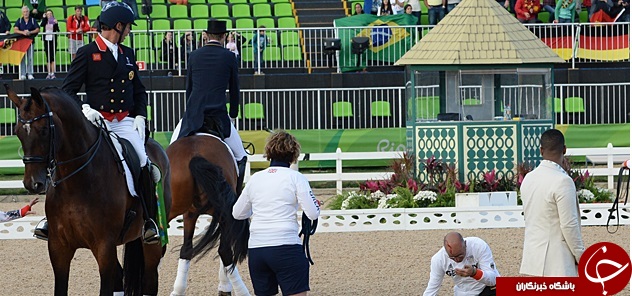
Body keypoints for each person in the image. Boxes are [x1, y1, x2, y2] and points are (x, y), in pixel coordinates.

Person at [34, 1, 161, 245]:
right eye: (128, 28)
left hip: (124, 121)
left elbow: (139, 90)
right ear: (118, 26)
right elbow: (68, 90)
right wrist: (85, 109)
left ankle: (148, 221)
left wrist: (141, 115)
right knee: (66, 156)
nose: (130, 32)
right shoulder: (87, 53)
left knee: (144, 162)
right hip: (97, 120)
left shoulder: (127, 54)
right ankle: (50, 218)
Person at [233, 130, 321, 296]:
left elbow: (238, 213)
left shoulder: (255, 178)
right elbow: (312, 213)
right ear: (294, 154)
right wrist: (317, 205)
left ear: (269, 152)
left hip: (257, 250)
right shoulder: (296, 177)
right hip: (285, 245)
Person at [172, 19, 249, 195]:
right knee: (240, 156)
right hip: (218, 116)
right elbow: (235, 89)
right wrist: (233, 113)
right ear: (224, 36)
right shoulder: (229, 56)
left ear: (206, 36)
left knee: (171, 153)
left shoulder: (194, 56)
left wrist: (190, 111)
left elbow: (189, 88)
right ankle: (235, 198)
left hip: (193, 116)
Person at [520, 129, 585, 276]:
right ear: (564, 149)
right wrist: (581, 256)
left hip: (532, 260)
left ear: (541, 150)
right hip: (557, 263)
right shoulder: (563, 181)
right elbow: (569, 225)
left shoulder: (528, 179)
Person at [423, 232, 499, 296]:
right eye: (452, 258)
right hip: (465, 292)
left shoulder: (478, 245)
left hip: (491, 286)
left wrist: (474, 273)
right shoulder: (438, 259)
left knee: (509, 286)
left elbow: (494, 279)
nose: (457, 260)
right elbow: (432, 288)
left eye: (460, 255)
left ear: (465, 244)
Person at [13, 6, 40, 80]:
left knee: (30, 58)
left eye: (27, 11)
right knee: (22, 58)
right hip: (21, 43)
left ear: (29, 12)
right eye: (24, 12)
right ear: (22, 13)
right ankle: (23, 74)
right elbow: (15, 29)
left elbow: (37, 29)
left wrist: (30, 32)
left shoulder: (32, 20)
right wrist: (23, 32)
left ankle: (30, 73)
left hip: (30, 42)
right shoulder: (20, 20)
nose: (26, 13)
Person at [40, 8, 59, 79]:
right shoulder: (45, 21)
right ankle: (48, 73)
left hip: (53, 40)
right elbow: (42, 25)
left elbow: (57, 29)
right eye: (48, 14)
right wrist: (44, 18)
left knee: (52, 56)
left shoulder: (54, 20)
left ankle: (53, 73)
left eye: (50, 14)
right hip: (46, 40)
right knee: (48, 56)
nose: (49, 15)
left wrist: (56, 23)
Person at [0, 9, 11, 80]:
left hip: (1, 39)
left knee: (0, 58)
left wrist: (7, 30)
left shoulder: (2, 14)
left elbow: (8, 24)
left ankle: (0, 74)